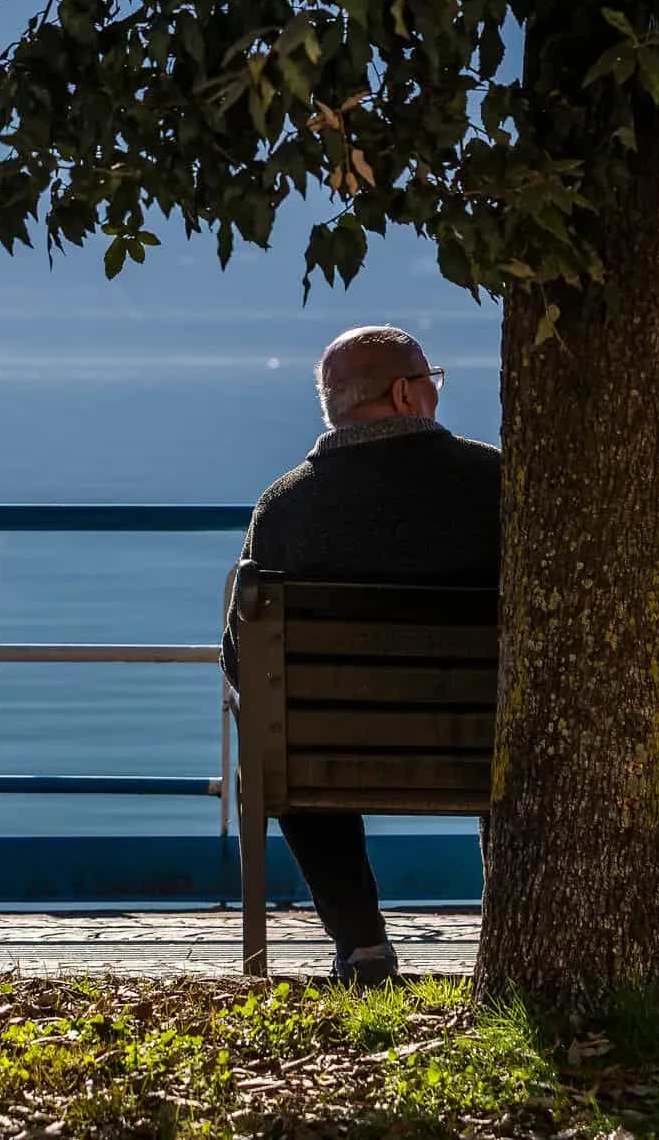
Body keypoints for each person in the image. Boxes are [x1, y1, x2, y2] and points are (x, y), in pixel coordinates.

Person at [229, 324, 502, 985]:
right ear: (406, 393)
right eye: (432, 380)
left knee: (280, 724)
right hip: (483, 745)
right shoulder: (496, 481)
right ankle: (510, 928)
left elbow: (241, 661)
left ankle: (362, 945)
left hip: (322, 756)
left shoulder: (285, 506)